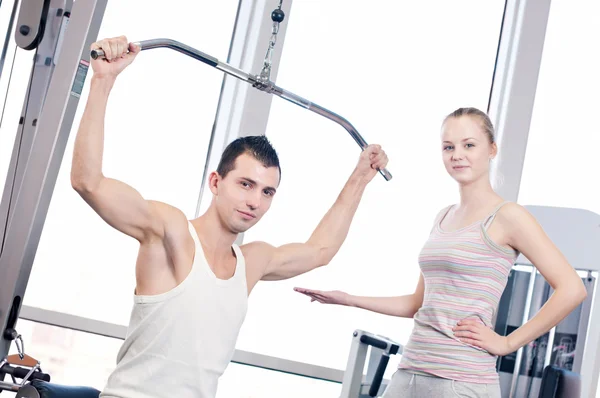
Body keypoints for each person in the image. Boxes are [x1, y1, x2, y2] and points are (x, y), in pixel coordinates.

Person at [70, 36, 388, 398]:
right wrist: (102, 82)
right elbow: (88, 183)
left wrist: (361, 176)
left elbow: (321, 250)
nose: (255, 200)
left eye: (267, 192)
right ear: (216, 182)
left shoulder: (251, 262)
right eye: (246, 184)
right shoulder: (171, 232)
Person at [295, 107, 587, 397]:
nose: (457, 154)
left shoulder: (508, 216)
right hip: (410, 372)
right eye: (449, 147)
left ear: (492, 149)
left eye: (469, 145)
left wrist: (507, 343)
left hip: (461, 381)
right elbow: (417, 303)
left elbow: (572, 289)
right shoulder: (443, 216)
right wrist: (348, 299)